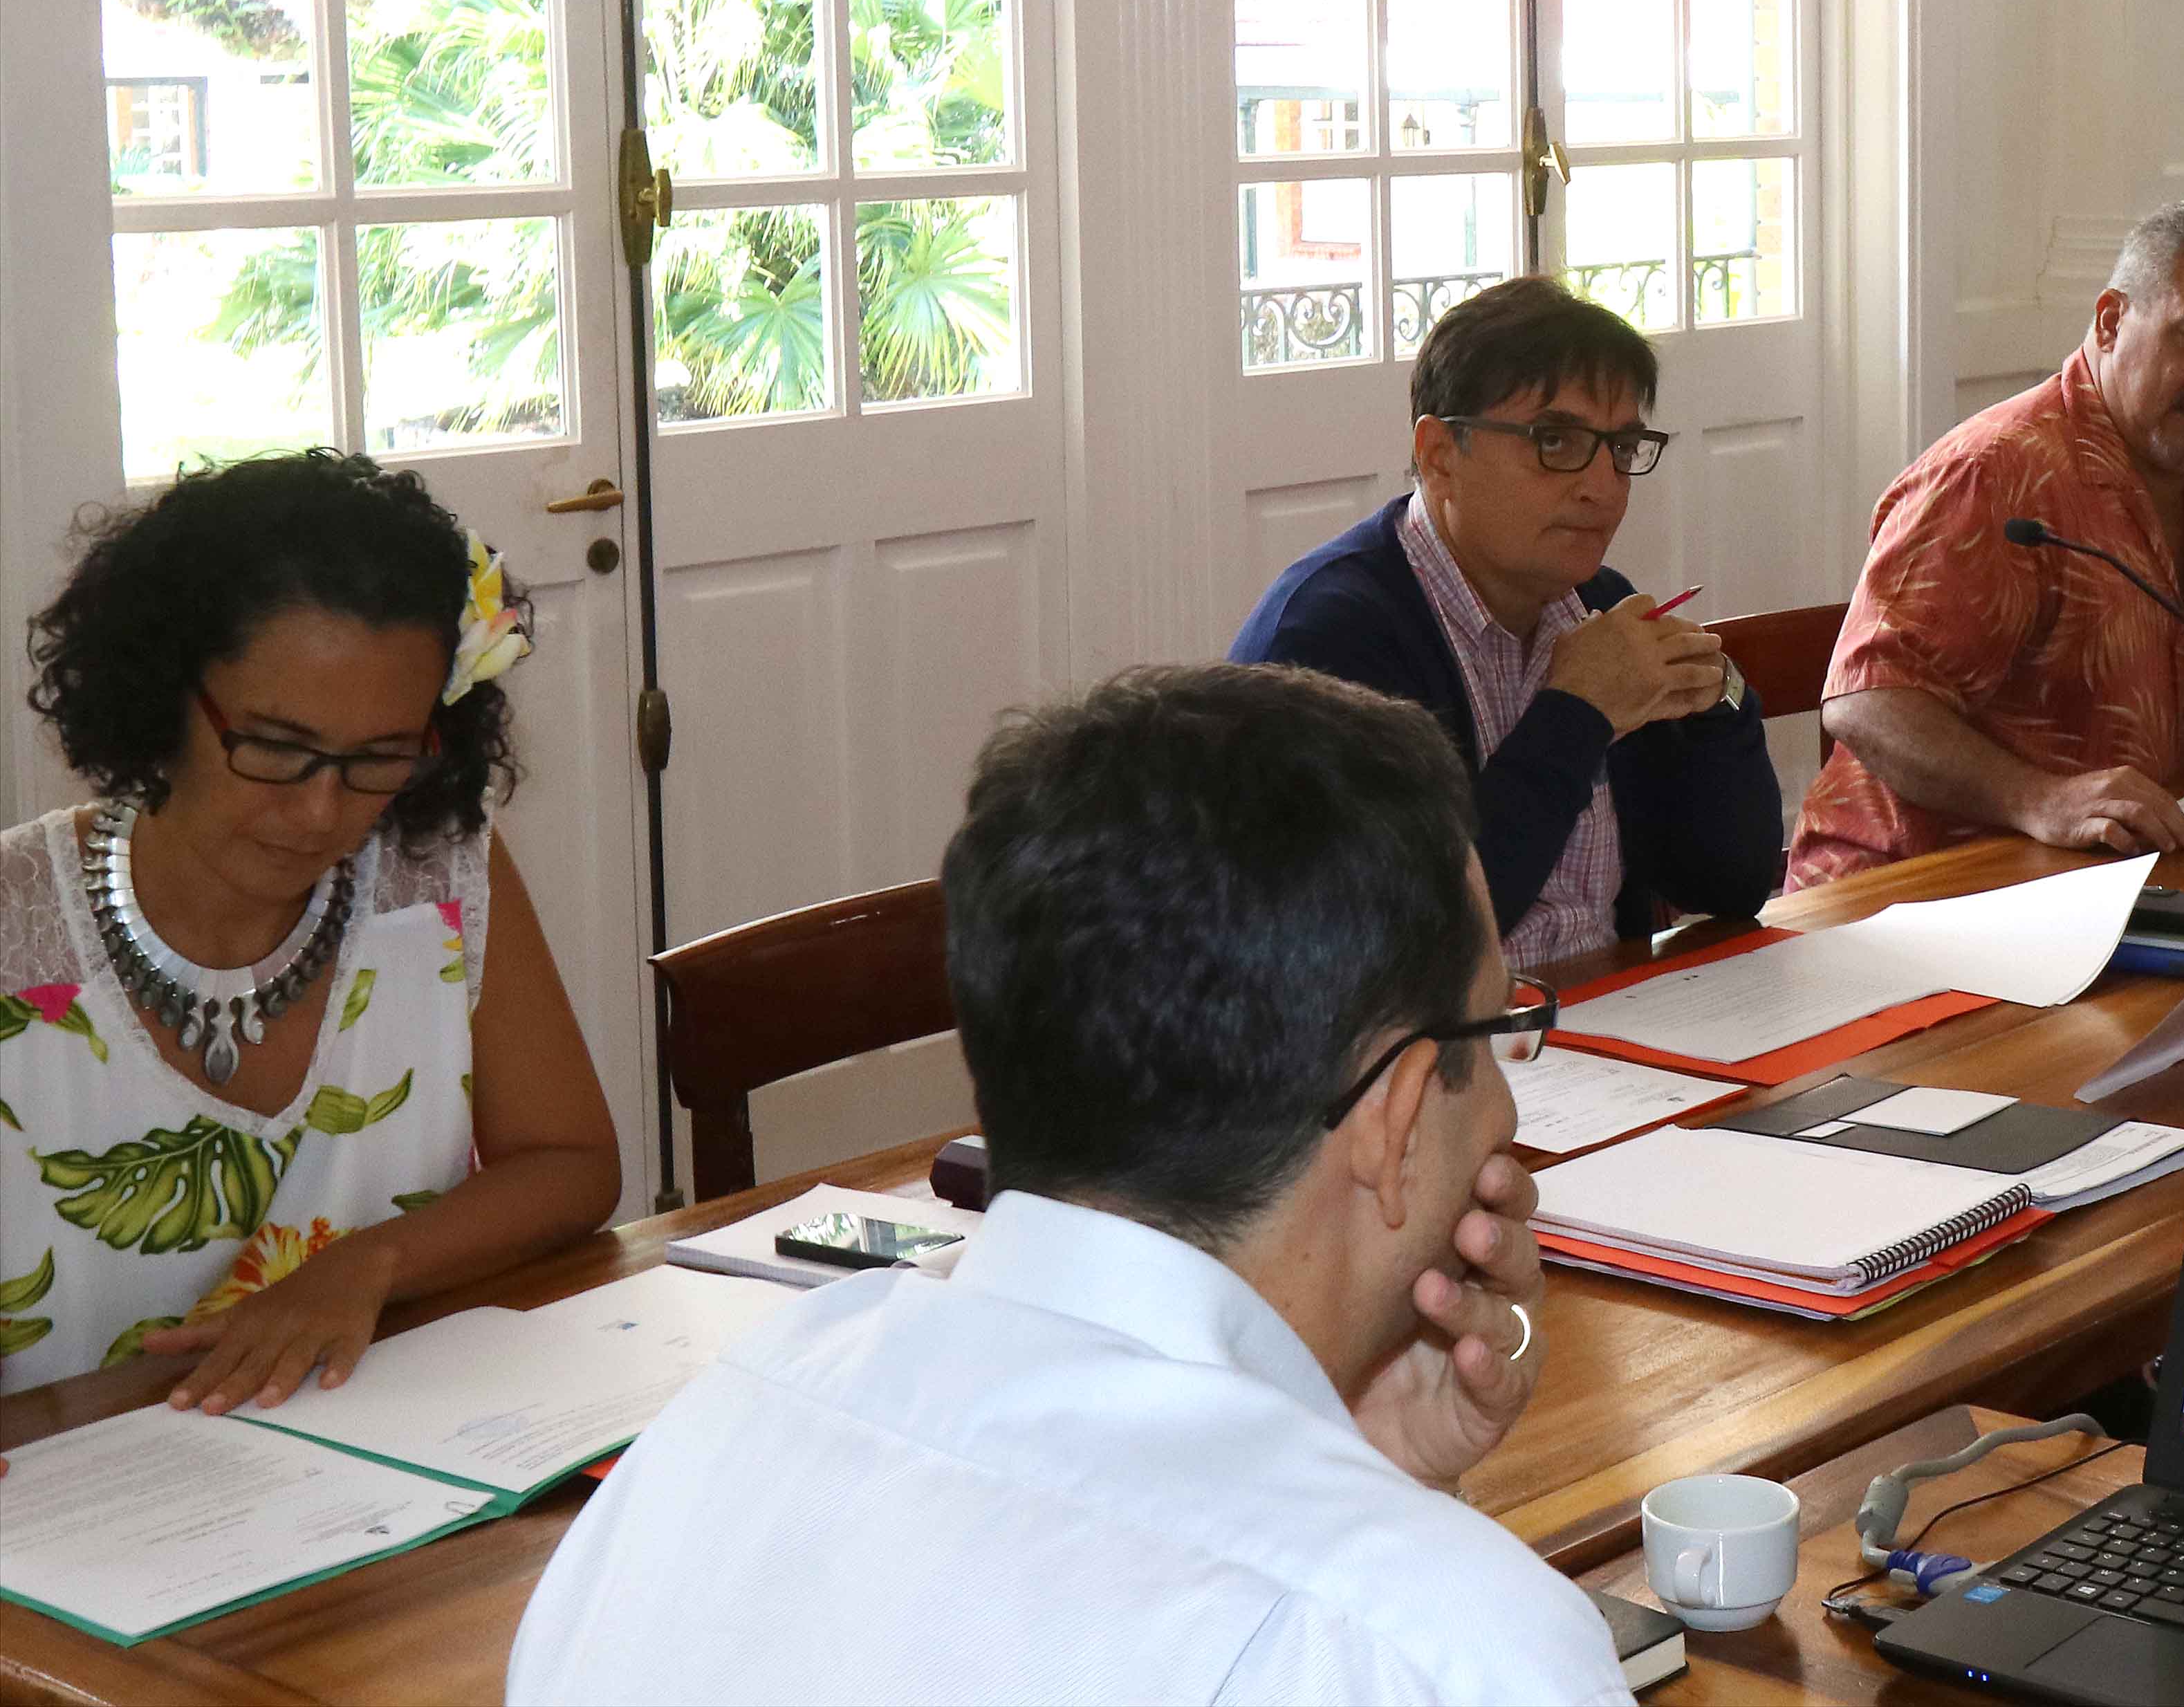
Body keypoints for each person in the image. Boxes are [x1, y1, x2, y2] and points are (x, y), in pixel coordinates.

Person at [509, 664, 1622, 1706]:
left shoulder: (691, 1453)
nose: (1505, 1111)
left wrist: (1365, 1475)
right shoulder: (1443, 1646)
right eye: (1500, 1025)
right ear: (1391, 1118)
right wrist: (1387, 1523)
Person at [0, 452, 616, 1432]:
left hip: (370, 1474)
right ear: (163, 695)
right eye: (278, 747)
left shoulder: (438, 875)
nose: (323, 809)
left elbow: (572, 1163)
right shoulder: (14, 931)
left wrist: (365, 1264)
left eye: (379, 757)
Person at [1231, 277, 1782, 963]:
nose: (1601, 486)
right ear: (1438, 457)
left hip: (1612, 1021)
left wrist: (1716, 705)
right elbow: (1406, 946)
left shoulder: (1596, 602)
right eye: (1555, 440)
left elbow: (1730, 884)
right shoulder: (1325, 642)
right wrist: (1577, 712)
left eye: (1620, 448)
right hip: (1428, 1052)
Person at [1788, 199, 2184, 887]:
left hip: (2135, 879)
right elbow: (1867, 702)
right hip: (1921, 891)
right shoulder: (1992, 476)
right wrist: (2035, 798)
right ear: (2112, 320)